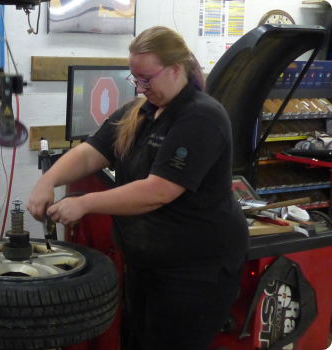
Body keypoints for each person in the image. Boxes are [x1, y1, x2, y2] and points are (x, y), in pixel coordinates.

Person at [26, 26, 249, 350]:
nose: (141, 87)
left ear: (176, 69)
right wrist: (47, 181)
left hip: (195, 271)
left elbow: (158, 191)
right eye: (135, 79)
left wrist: (85, 203)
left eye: (147, 78)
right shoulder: (139, 112)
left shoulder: (201, 117)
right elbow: (91, 152)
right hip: (147, 264)